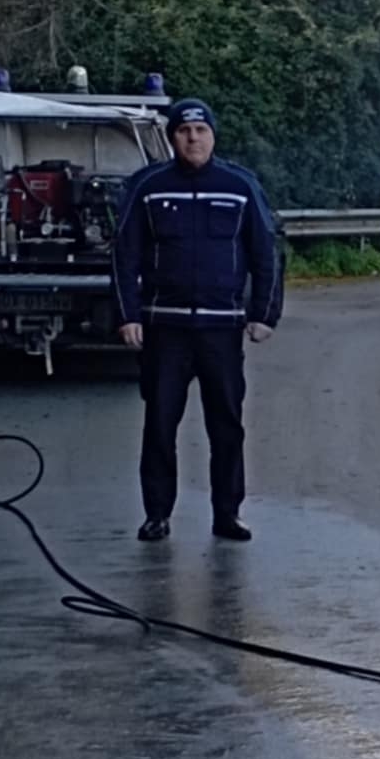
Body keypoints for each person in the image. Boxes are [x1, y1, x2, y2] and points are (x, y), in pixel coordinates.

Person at [112, 96, 282, 543]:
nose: (193, 138)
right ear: (172, 138)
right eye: (184, 131)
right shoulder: (148, 186)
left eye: (201, 130)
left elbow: (266, 254)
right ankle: (157, 515)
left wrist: (265, 314)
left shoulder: (240, 185)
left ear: (213, 134)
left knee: (226, 425)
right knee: (160, 424)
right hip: (164, 329)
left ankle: (227, 514)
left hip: (221, 330)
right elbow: (123, 254)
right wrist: (127, 314)